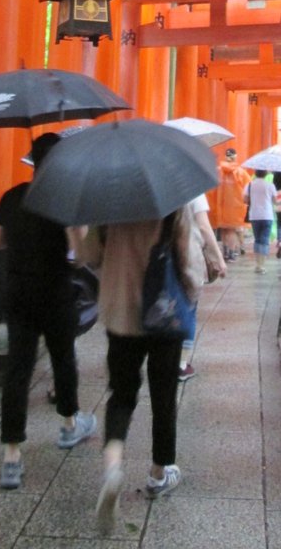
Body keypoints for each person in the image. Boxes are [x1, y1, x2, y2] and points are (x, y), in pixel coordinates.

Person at [0, 133, 97, 490]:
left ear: (32, 162)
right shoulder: (66, 202)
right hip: (55, 293)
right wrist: (75, 232)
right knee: (63, 359)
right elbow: (81, 256)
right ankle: (68, 425)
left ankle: (11, 457)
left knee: (18, 369)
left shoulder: (12, 196)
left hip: (17, 292)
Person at [92, 204, 204, 535]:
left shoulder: (107, 200)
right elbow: (188, 256)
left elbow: (91, 255)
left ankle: (113, 466)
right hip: (163, 310)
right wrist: (194, 290)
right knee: (164, 395)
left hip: (120, 311)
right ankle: (158, 472)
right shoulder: (171, 201)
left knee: (122, 395)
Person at [178, 193, 227, 381]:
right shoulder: (192, 189)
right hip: (188, 256)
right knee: (189, 309)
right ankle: (181, 364)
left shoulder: (153, 188)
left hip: (159, 258)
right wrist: (218, 258)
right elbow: (204, 227)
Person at [211, 148, 249, 261]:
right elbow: (247, 188)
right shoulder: (241, 172)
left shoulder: (218, 171)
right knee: (232, 231)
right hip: (235, 208)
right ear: (235, 157)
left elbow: (212, 188)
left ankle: (225, 252)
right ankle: (232, 253)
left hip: (220, 206)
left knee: (223, 230)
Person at [243, 169, 277, 273]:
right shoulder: (270, 185)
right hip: (267, 215)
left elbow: (245, 200)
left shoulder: (249, 185)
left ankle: (257, 264)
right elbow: (275, 201)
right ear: (265, 174)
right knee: (264, 239)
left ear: (255, 174)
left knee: (257, 239)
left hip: (254, 215)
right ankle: (262, 265)